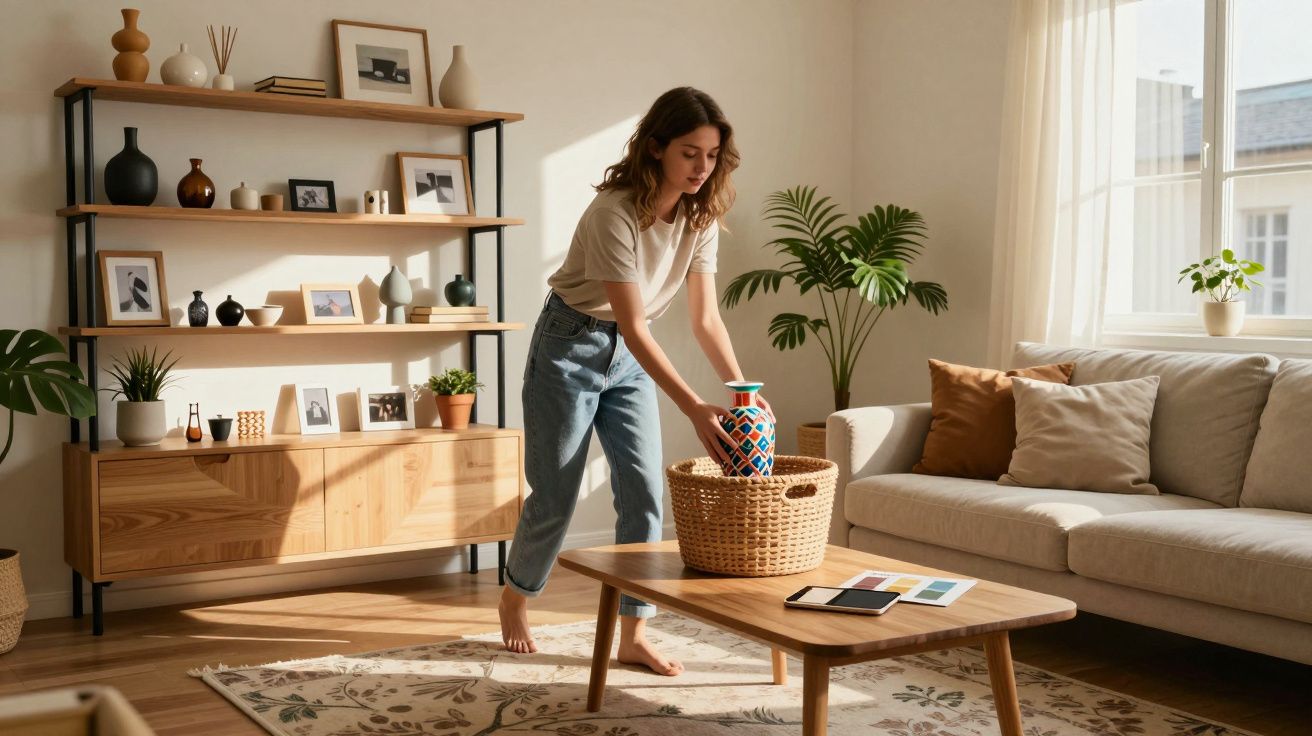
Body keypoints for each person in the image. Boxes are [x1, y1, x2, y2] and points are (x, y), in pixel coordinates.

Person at [500, 87, 773, 677]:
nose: (702, 169)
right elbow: (633, 323)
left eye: (711, 155)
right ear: (655, 149)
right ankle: (516, 597)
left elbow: (704, 318)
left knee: (646, 495)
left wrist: (740, 388)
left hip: (629, 358)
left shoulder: (701, 217)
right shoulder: (613, 214)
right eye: (689, 153)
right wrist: (697, 407)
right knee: (556, 494)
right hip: (570, 345)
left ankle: (633, 634)